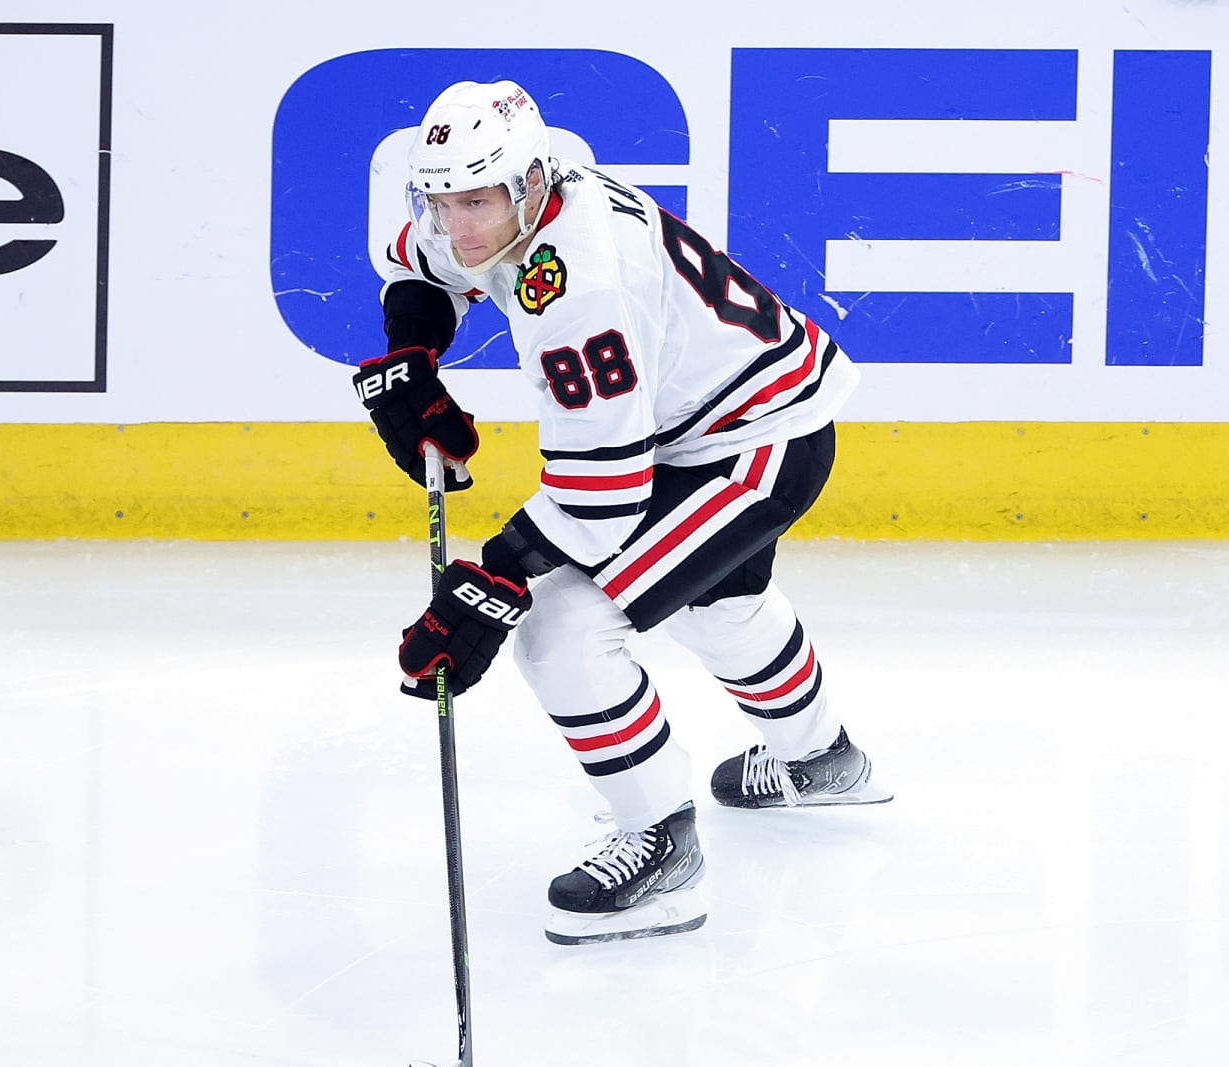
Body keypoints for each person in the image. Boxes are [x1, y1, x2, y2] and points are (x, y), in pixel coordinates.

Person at [353, 80, 891, 946]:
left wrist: (491, 582)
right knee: (719, 605)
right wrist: (411, 354)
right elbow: (421, 266)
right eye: (441, 201)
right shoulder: (523, 199)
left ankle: (663, 851)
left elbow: (600, 498)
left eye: (475, 202)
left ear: (529, 184)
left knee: (561, 630)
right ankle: (821, 760)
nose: (457, 226)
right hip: (725, 418)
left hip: (754, 446)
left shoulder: (579, 290)